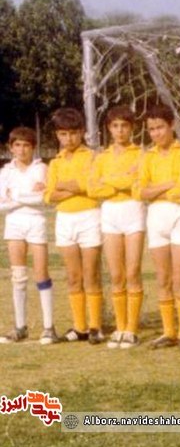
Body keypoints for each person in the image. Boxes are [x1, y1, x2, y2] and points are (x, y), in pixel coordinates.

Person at [134, 103, 180, 350]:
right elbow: (140, 191)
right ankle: (168, 331)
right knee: (163, 278)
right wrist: (167, 185)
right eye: (151, 129)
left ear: (172, 126)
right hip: (156, 217)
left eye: (160, 127)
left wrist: (156, 190)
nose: (156, 133)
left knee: (179, 276)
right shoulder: (147, 156)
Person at [44, 108, 104, 344]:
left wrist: (66, 186)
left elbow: (93, 187)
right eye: (63, 134)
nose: (68, 139)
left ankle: (95, 326)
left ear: (81, 133)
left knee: (91, 275)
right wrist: (76, 187)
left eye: (73, 133)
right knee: (73, 276)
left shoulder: (92, 157)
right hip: (65, 220)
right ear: (57, 135)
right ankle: (79, 327)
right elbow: (49, 195)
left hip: (89, 216)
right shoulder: (55, 162)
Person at [88, 106, 145, 349]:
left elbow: (138, 183)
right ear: (109, 129)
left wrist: (110, 181)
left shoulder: (141, 154)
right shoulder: (102, 157)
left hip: (133, 211)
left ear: (132, 128)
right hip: (110, 213)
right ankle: (120, 327)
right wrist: (122, 181)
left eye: (124, 126)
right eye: (115, 126)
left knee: (132, 271)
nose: (120, 130)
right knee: (116, 274)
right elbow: (93, 188)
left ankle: (132, 329)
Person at [0, 126, 58, 344]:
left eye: (26, 145)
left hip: (36, 222)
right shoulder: (5, 172)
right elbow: (1, 204)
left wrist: (14, 195)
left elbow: (43, 199)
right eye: (17, 145)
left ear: (33, 148)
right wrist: (26, 195)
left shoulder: (41, 168)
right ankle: (20, 326)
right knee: (18, 275)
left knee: (41, 273)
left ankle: (49, 327)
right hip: (14, 224)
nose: (22, 150)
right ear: (11, 147)